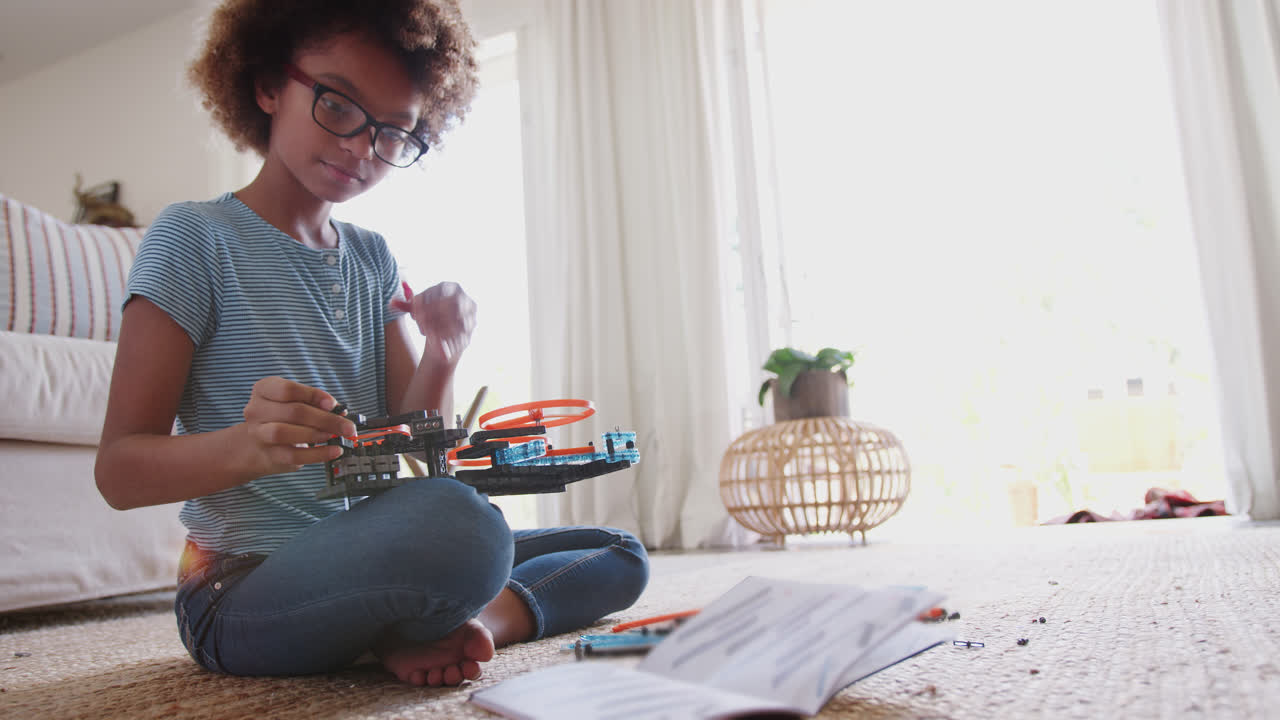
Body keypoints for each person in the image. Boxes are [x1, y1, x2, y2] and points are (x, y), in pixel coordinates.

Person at [94, 0, 649, 688]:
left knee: (617, 549)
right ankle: (415, 622)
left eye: (394, 133)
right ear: (268, 85)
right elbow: (118, 472)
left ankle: (473, 628)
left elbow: (416, 457)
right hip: (236, 592)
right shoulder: (193, 239)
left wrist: (444, 349)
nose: (362, 147)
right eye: (337, 105)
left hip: (365, 555)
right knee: (463, 526)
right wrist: (246, 448)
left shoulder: (372, 258)